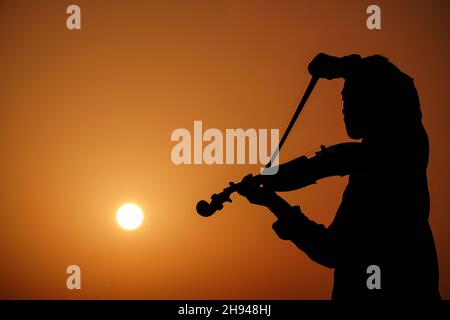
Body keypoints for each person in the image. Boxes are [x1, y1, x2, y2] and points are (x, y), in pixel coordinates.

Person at [233, 53, 441, 299]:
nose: (344, 108)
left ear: (377, 102)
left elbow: (330, 251)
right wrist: (271, 199)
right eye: (344, 99)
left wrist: (272, 200)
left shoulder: (397, 156)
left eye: (352, 99)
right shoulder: (400, 156)